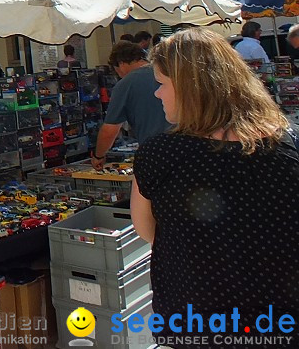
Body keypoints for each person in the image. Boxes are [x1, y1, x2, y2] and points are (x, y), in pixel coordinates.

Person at [131, 29, 299, 345]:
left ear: (189, 89)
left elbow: (148, 230)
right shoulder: (291, 144)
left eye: (162, 84)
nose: (158, 94)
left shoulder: (160, 154)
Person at [91, 41, 170, 169]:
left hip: (155, 154)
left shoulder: (126, 84)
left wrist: (98, 156)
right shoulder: (168, 72)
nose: (119, 76)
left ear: (121, 64)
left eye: (117, 71)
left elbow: (109, 130)